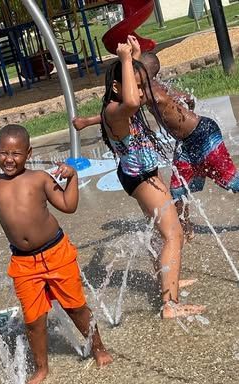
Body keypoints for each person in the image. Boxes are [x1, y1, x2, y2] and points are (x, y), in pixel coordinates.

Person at [0, 124, 113, 384]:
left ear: (28, 153)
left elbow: (68, 205)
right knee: (33, 320)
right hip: (24, 263)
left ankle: (98, 347)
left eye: (16, 153)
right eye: (3, 153)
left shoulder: (40, 178)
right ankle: (42, 367)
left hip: (56, 254)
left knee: (76, 307)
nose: (9, 159)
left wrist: (72, 177)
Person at [75, 38, 205, 318]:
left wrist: (133, 56)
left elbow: (135, 93)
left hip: (141, 173)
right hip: (141, 178)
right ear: (115, 88)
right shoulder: (117, 110)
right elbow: (134, 99)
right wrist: (123, 59)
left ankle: (167, 281)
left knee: (159, 232)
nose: (138, 90)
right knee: (173, 234)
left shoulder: (117, 104)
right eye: (131, 82)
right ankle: (170, 305)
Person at [129, 44, 239, 241]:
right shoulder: (157, 85)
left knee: (231, 182)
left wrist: (88, 121)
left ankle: (185, 224)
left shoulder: (148, 92)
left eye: (134, 70)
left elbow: (124, 107)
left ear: (142, 73)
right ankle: (184, 225)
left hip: (202, 135)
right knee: (178, 189)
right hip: (186, 142)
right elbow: (188, 98)